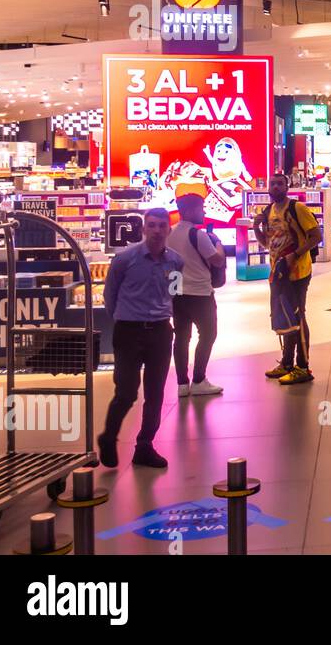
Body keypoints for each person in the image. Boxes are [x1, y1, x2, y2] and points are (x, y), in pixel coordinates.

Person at [98, 208, 185, 469]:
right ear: (144, 229)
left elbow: (175, 293)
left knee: (155, 393)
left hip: (160, 331)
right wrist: (124, 319)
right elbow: (110, 295)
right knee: (126, 391)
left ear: (168, 230)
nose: (157, 230)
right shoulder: (125, 260)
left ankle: (145, 445)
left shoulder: (176, 262)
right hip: (129, 331)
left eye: (162, 226)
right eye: (152, 225)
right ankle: (108, 437)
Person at [254, 174, 323, 385]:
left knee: (298, 316)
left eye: (279, 184)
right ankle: (286, 362)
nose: (275, 187)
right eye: (272, 184)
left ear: (287, 186)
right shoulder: (268, 211)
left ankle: (303, 367)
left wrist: (296, 254)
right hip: (279, 272)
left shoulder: (297, 208)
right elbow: (268, 243)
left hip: (298, 273)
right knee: (285, 317)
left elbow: (316, 236)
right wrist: (257, 228)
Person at [169, 192, 225, 397]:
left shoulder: (170, 233)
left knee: (181, 337)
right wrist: (218, 243)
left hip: (176, 293)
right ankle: (199, 379)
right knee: (208, 334)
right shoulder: (198, 234)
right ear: (191, 210)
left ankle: (182, 384)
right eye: (201, 208)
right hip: (200, 292)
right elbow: (217, 260)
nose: (203, 212)